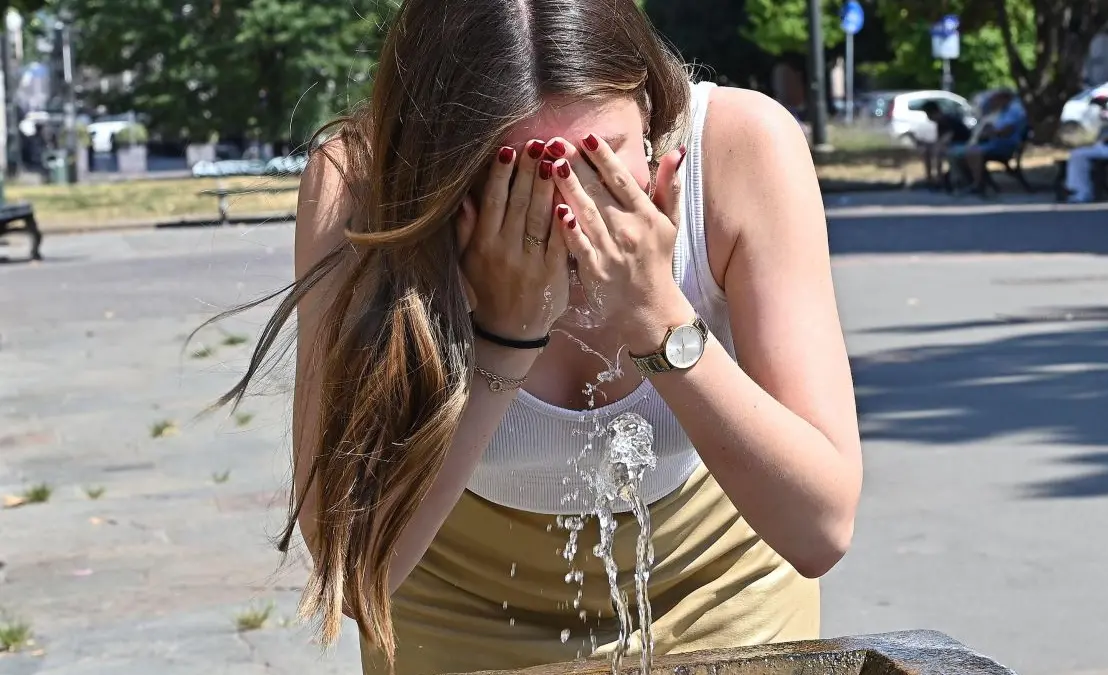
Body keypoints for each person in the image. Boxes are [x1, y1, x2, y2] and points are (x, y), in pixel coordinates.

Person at [208, 1, 862, 673]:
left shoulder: (739, 149)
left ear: (651, 116)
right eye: (515, 181)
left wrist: (659, 320)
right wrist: (503, 339)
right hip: (454, 604)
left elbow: (820, 527)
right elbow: (351, 574)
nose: (569, 217)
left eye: (600, 166)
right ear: (436, 163)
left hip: (719, 588)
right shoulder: (359, 184)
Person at [950, 89, 1028, 194]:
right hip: (993, 142)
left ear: (1004, 98)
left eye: (996, 100)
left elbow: (1006, 130)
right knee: (956, 152)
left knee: (973, 151)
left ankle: (978, 184)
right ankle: (965, 181)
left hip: (1006, 145)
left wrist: (991, 132)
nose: (993, 102)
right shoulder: (1000, 111)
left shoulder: (1014, 110)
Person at [919, 100, 972, 190]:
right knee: (926, 150)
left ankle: (939, 180)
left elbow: (947, 138)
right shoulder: (940, 122)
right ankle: (929, 179)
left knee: (937, 151)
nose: (928, 117)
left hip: (962, 144)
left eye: (928, 114)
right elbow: (940, 140)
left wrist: (937, 146)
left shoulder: (948, 120)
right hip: (952, 144)